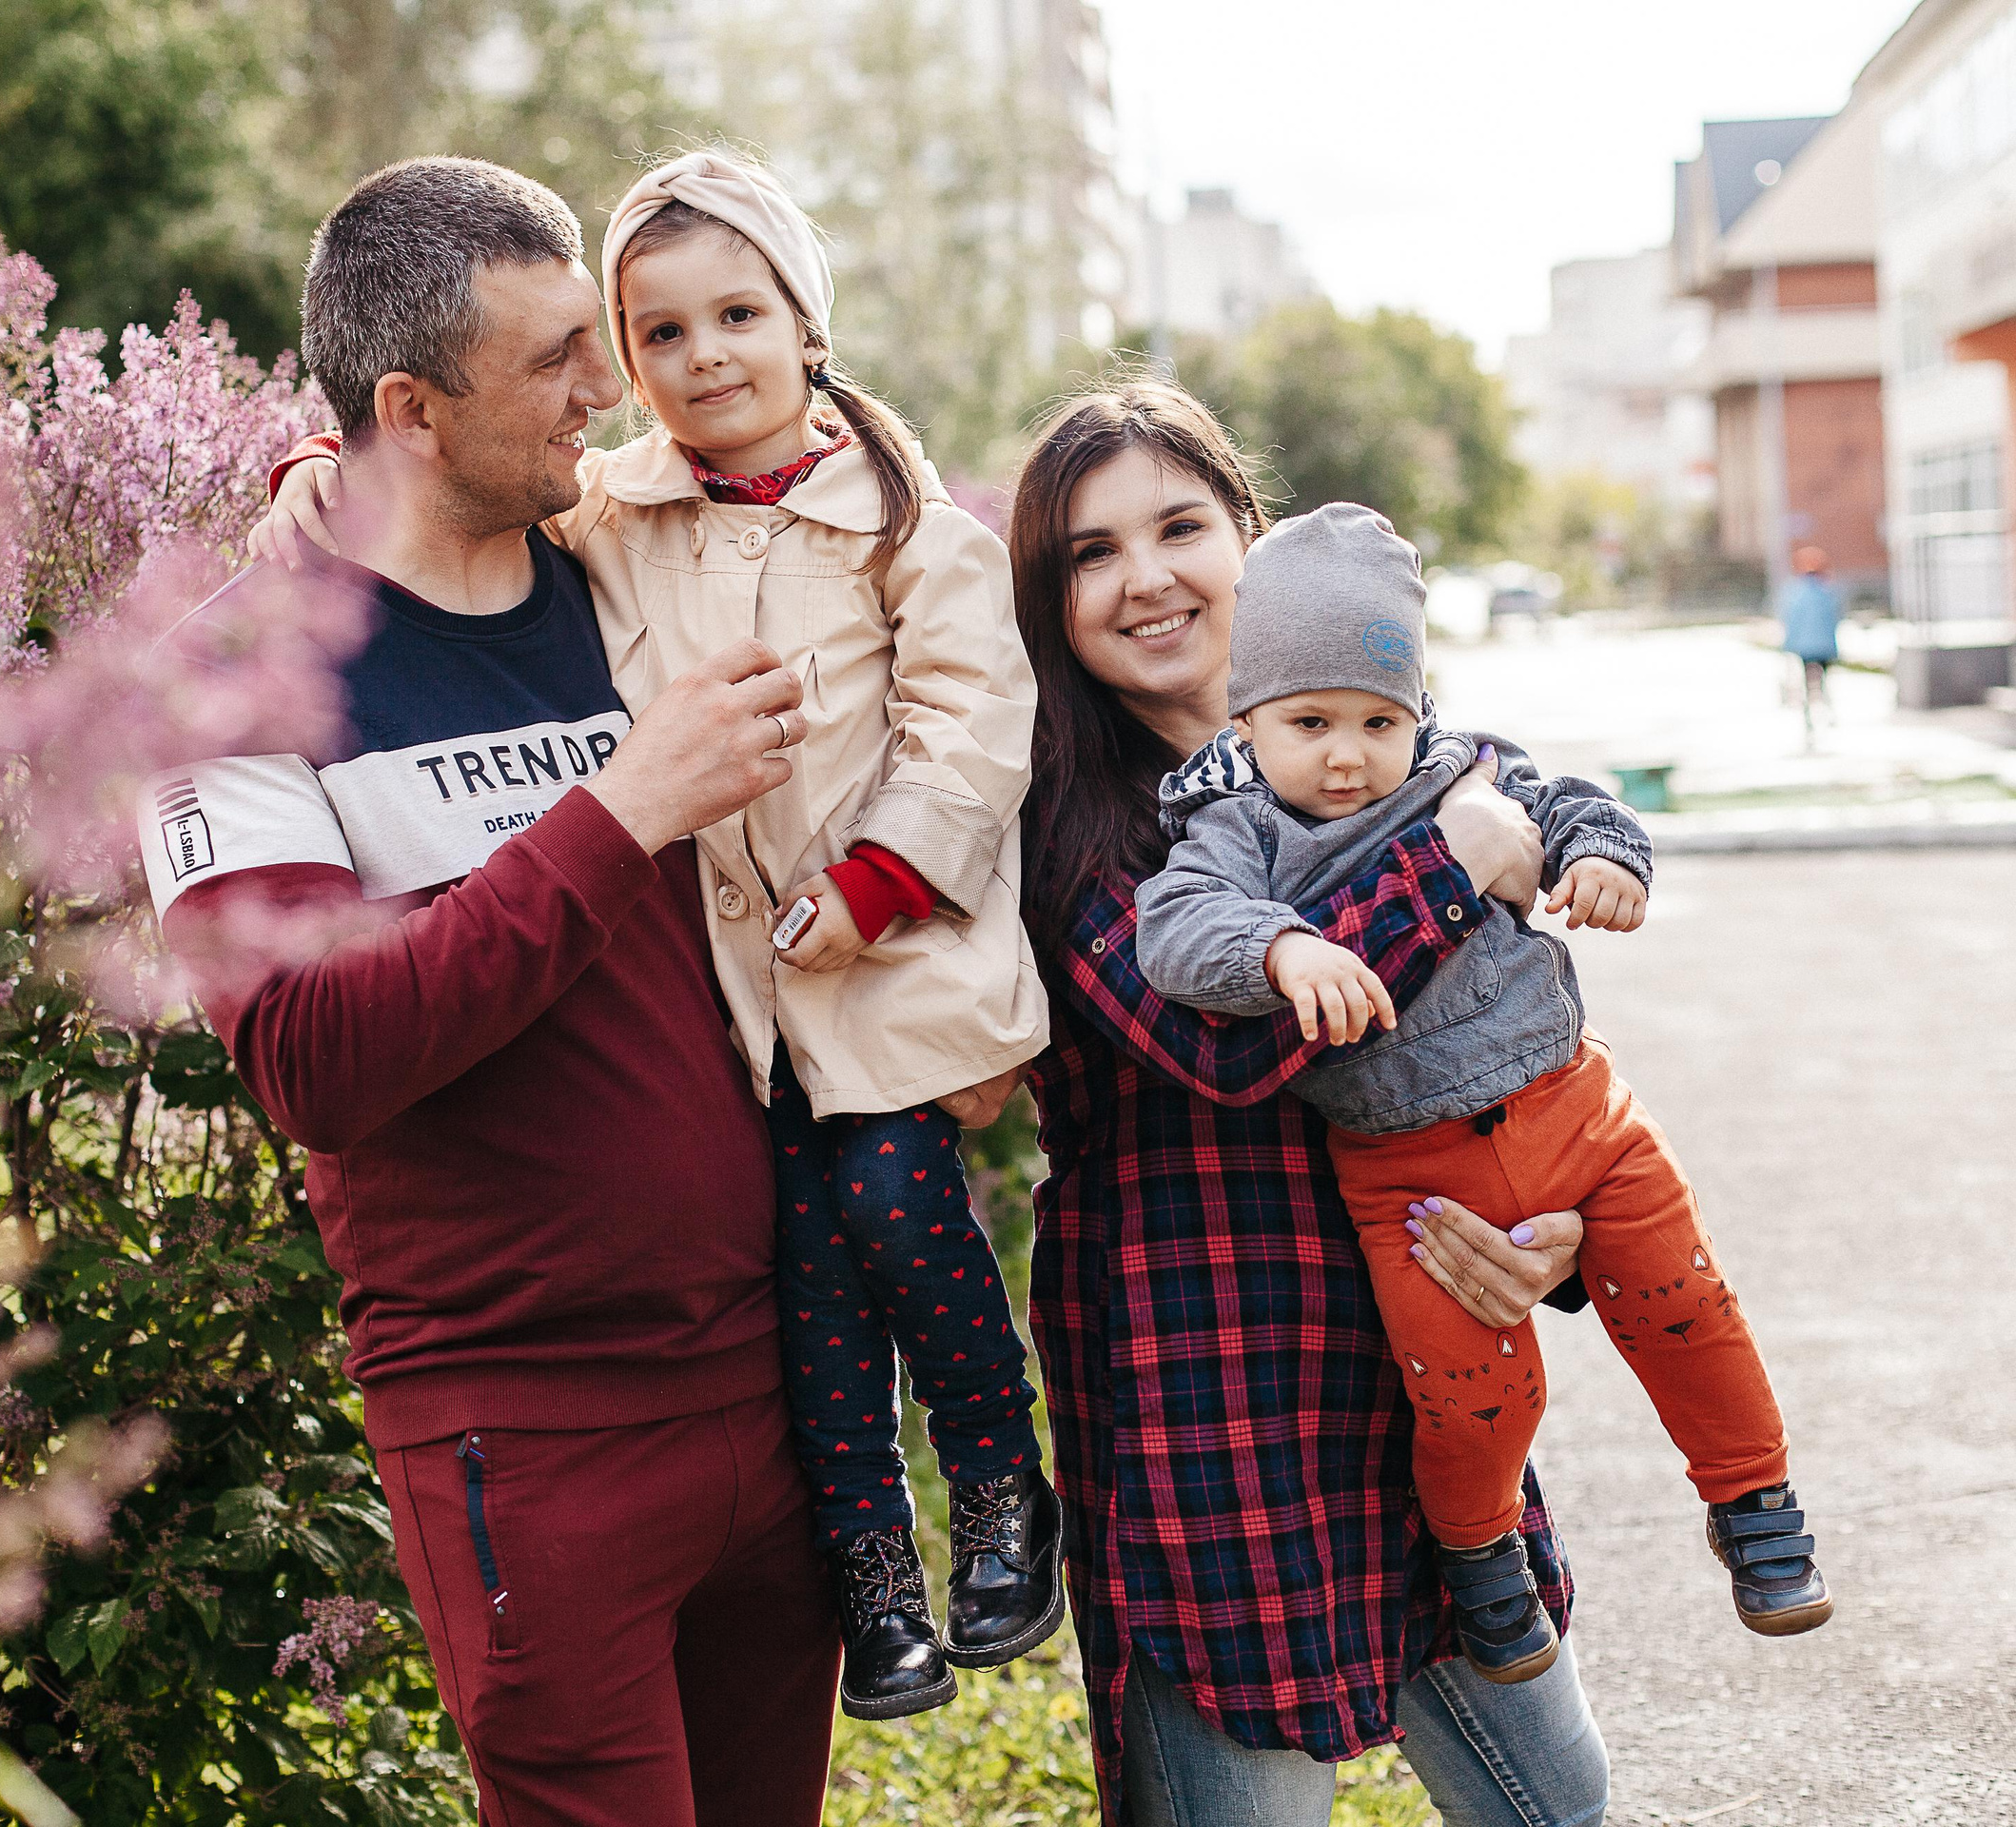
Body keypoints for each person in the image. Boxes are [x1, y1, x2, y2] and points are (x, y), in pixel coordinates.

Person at [254, 149, 1059, 1721]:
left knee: (898, 1214)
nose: (678, 370)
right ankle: (884, 1580)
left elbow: (975, 734)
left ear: (807, 321)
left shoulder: (902, 525)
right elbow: (431, 498)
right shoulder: (612, 512)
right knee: (822, 1304)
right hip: (731, 1040)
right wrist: (320, 485)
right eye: (643, 340)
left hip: (878, 973)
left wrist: (897, 884)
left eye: (736, 316)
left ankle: (999, 1476)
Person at [138, 156, 843, 1827]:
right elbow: (313, 1057)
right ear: (412, 408)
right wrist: (620, 813)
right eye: (555, 361)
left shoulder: (630, 577)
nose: (611, 390)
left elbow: (883, 543)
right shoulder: (236, 681)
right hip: (524, 1434)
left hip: (773, 1381)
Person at [1007, 380, 1614, 1825]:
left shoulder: (1395, 764)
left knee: (1559, 1808)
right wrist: (1459, 860)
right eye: (1093, 552)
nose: (1146, 576)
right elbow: (1230, 1047)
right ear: (1055, 601)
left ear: (1253, 544)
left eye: (1180, 525)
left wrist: (1556, 1232)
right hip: (1216, 1419)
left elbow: (1515, 1050)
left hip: (1418, 1388)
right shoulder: (1075, 832)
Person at [1135, 501, 1830, 1685]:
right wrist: (1283, 953)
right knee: (1469, 1394)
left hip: (1578, 1112)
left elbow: (1574, 806)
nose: (1347, 756)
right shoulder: (1232, 828)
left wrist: (1606, 858)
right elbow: (1177, 932)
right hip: (1408, 1171)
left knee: (1684, 1303)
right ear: (1248, 721)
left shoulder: (1466, 768)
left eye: (1377, 721)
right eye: (1309, 723)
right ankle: (1480, 1556)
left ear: (1420, 712)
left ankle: (1754, 1499)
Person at [1780, 544, 1843, 744]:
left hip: (1804, 647)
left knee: (1808, 683)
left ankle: (1809, 717)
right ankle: (1828, 711)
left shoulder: (1795, 593)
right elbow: (1834, 620)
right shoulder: (1827, 592)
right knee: (1824, 681)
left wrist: (1788, 645)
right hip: (1824, 646)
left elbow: (1791, 620)